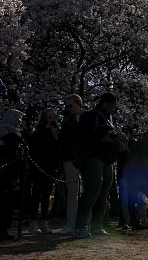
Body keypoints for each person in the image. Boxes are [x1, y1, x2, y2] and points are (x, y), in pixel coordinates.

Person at [75, 93, 120, 238]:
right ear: (104, 103)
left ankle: (96, 226)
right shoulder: (90, 116)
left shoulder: (108, 118)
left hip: (107, 160)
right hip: (93, 158)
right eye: (111, 105)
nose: (113, 108)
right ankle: (80, 226)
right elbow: (84, 137)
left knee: (103, 194)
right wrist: (103, 139)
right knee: (92, 191)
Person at [0, 109, 26, 242]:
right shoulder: (2, 130)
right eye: (18, 118)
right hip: (0, 172)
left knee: (9, 204)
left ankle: (3, 230)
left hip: (12, 172)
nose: (20, 121)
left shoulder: (17, 132)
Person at [27, 108, 60, 234]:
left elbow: (58, 148)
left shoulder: (56, 131)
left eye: (54, 117)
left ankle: (44, 220)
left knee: (46, 195)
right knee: (36, 194)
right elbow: (35, 148)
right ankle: (33, 221)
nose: (52, 120)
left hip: (50, 168)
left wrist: (55, 136)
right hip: (38, 167)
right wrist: (46, 133)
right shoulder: (38, 132)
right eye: (50, 117)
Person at [58, 95, 83, 236]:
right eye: (66, 106)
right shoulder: (66, 121)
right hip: (70, 159)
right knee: (72, 193)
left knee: (89, 192)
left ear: (78, 104)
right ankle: (71, 223)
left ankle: (85, 222)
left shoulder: (88, 117)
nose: (67, 108)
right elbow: (62, 141)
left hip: (86, 159)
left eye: (70, 105)